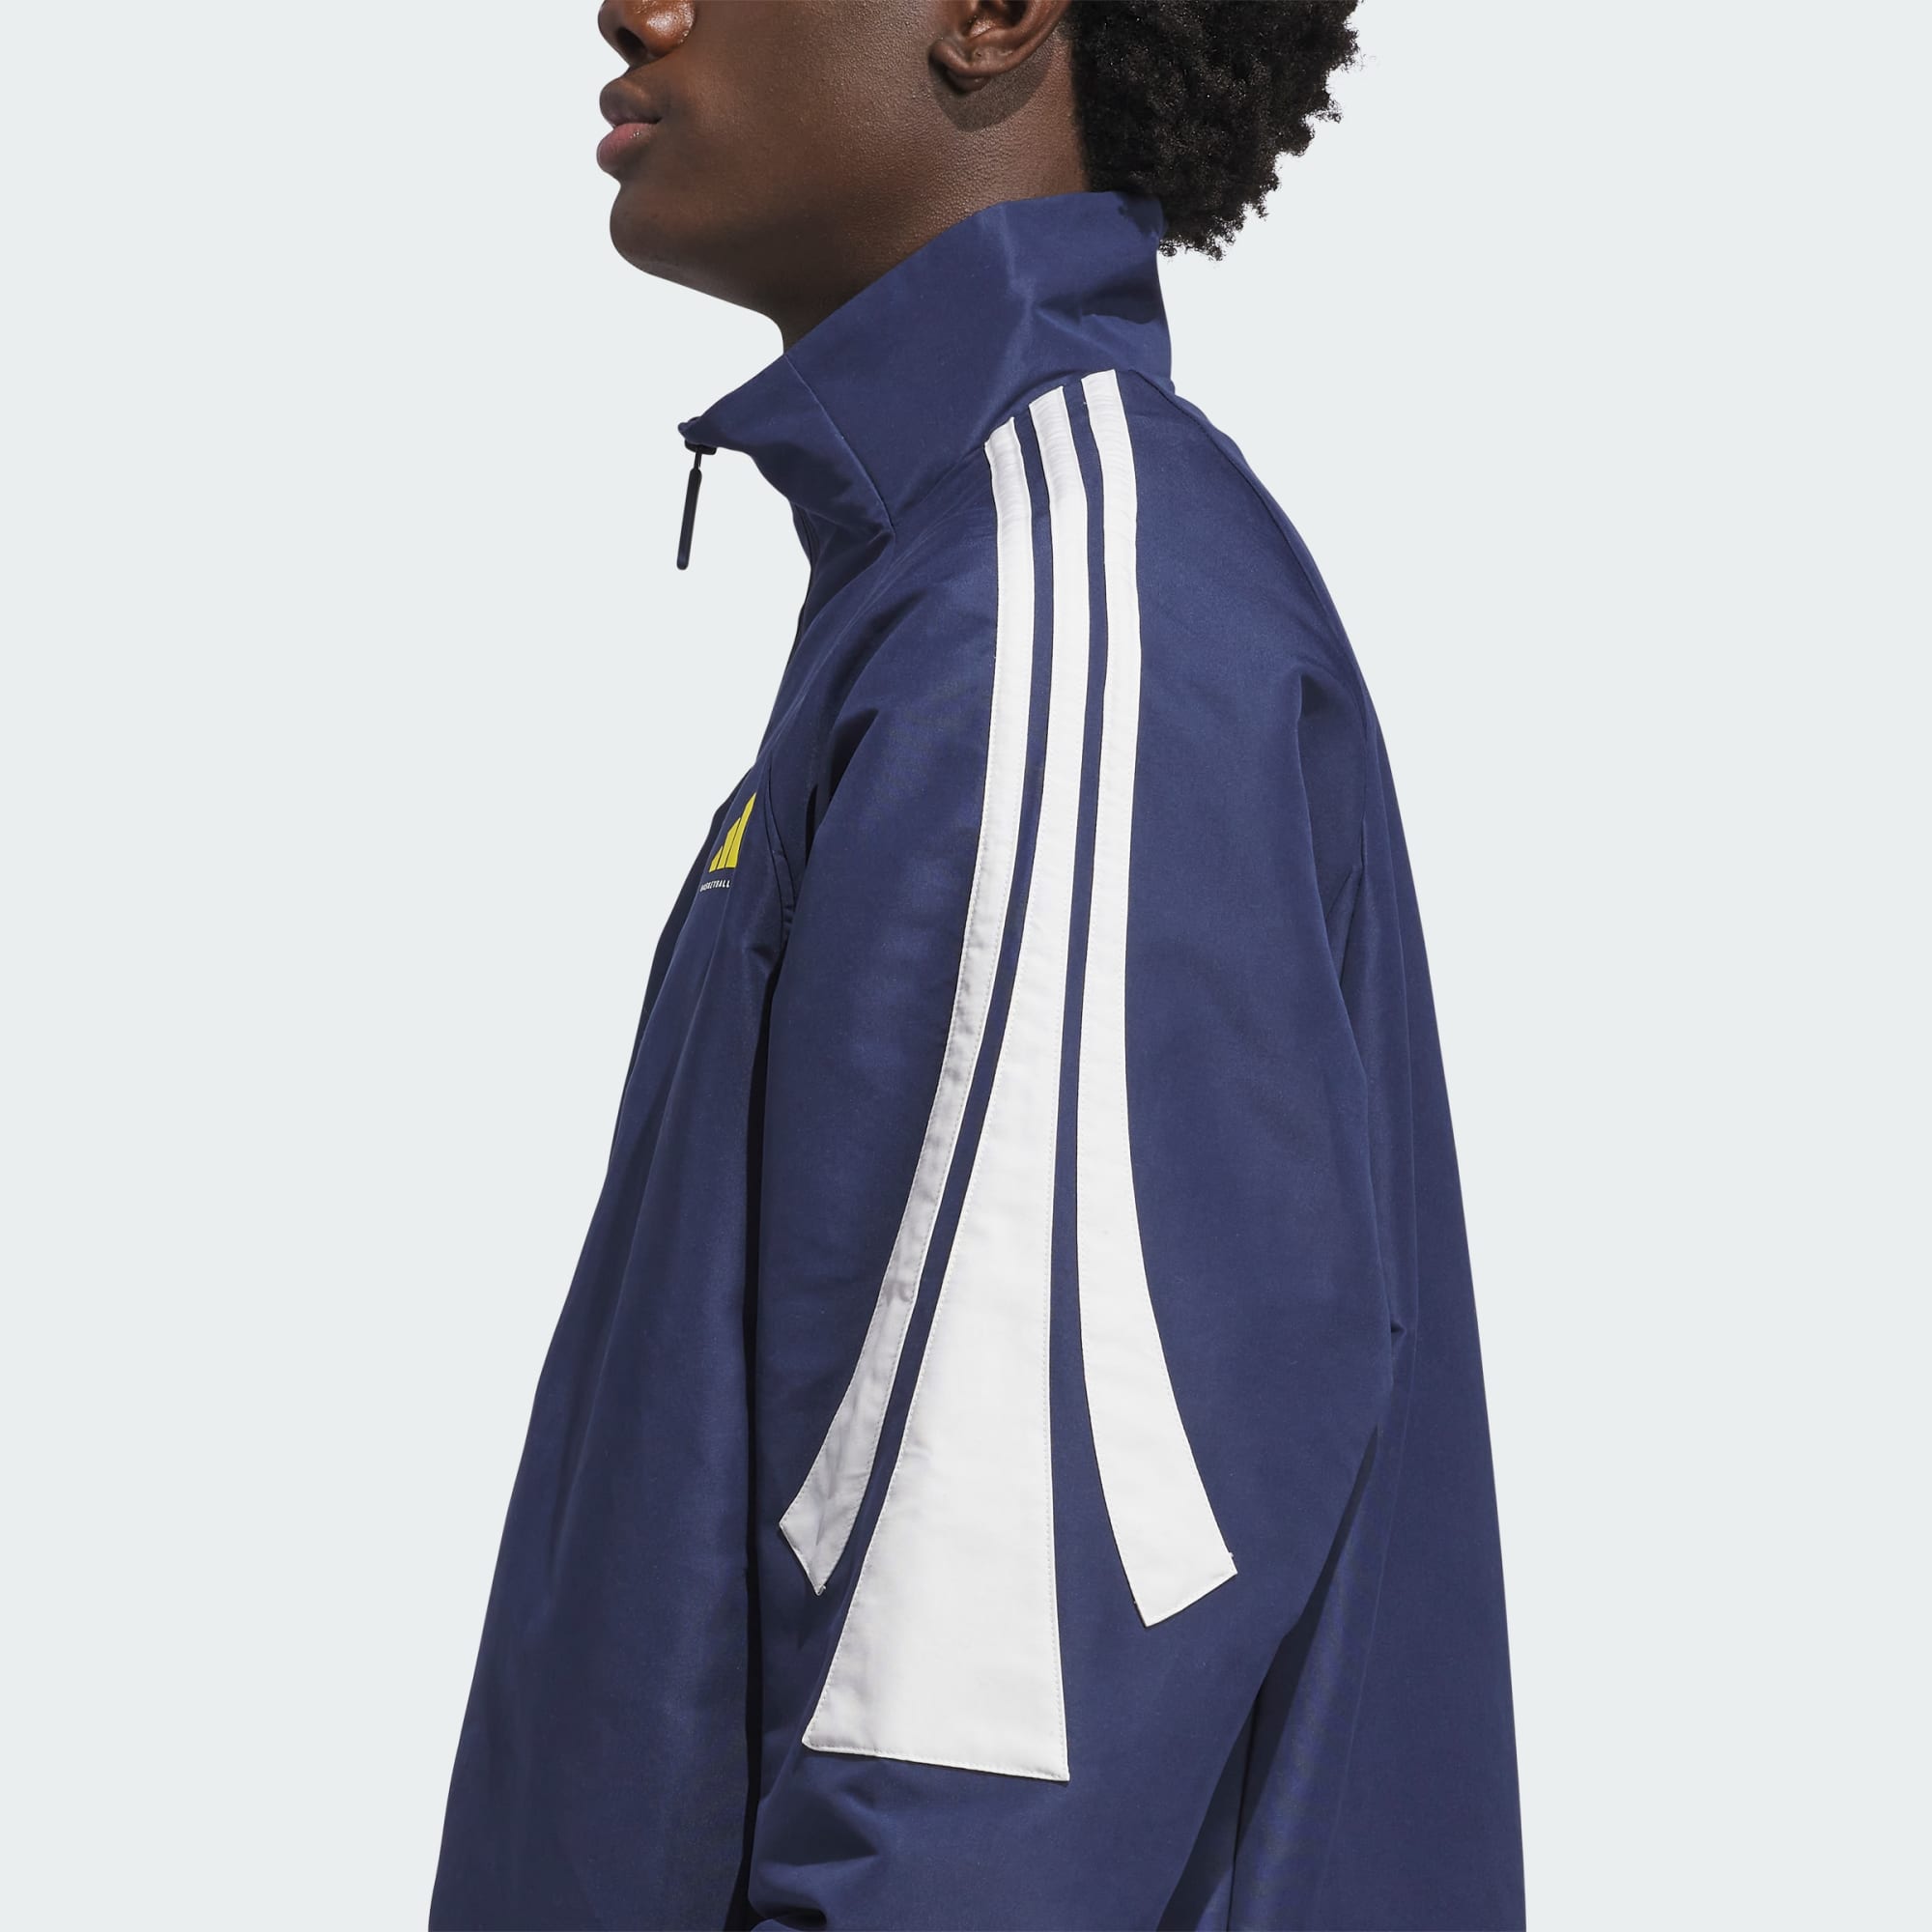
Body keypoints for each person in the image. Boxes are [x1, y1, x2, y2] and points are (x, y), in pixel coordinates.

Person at [431, 3, 1523, 1926]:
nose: (634, 6)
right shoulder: (963, 594)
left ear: (996, 13)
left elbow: (985, 1754)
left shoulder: (1054, 621)